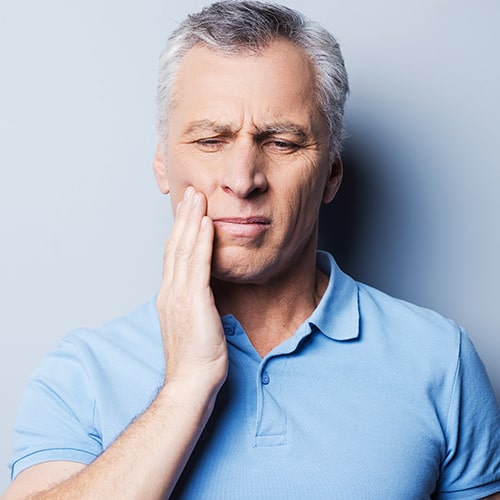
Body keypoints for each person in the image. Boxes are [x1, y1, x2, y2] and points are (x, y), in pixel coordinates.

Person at [3, 1, 500, 499]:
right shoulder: (82, 373)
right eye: (211, 139)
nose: (243, 180)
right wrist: (185, 388)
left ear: (330, 172)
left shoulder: (439, 359)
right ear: (162, 163)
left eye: (282, 142)